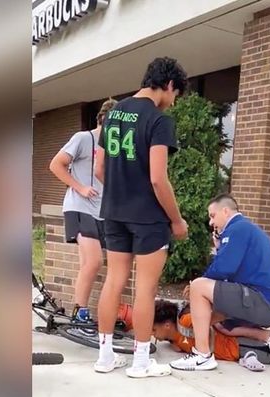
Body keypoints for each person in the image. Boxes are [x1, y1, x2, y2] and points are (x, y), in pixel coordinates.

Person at [93, 57, 189, 378]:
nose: (173, 102)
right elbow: (158, 179)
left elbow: (99, 169)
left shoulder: (113, 113)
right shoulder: (159, 120)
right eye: (176, 95)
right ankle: (140, 362)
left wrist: (121, 192)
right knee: (145, 289)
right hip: (148, 217)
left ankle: (105, 356)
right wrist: (176, 220)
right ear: (170, 85)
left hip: (113, 212)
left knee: (114, 280)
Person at [169, 194, 270, 371]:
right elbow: (231, 272)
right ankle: (268, 337)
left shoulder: (237, 228)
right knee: (218, 316)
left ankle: (202, 356)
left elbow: (224, 268)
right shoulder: (246, 229)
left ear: (225, 211)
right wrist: (221, 248)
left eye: (212, 216)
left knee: (198, 286)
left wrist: (200, 282)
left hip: (265, 303)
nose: (211, 223)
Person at [49, 98, 117, 325]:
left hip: (101, 211)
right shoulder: (83, 138)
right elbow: (55, 165)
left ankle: (80, 313)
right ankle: (80, 313)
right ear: (103, 118)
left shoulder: (114, 145)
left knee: (88, 263)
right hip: (78, 206)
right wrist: (80, 187)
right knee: (95, 261)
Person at [154, 300, 270, 368]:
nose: (153, 335)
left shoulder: (186, 322)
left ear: (168, 324)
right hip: (239, 348)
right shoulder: (174, 340)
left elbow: (213, 314)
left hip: (240, 346)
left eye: (154, 329)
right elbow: (180, 345)